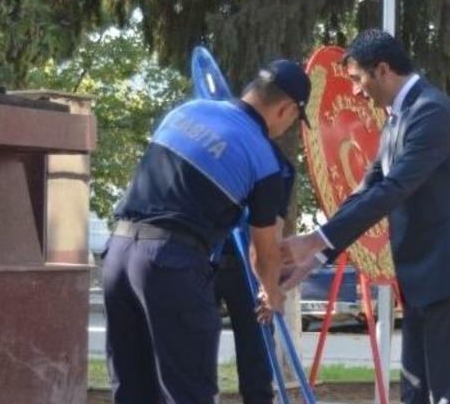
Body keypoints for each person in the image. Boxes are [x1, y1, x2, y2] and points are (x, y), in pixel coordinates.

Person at [280, 29, 450, 404]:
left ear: (382, 70)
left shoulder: (433, 113)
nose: (358, 92)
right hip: (420, 277)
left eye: (358, 79)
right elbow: (366, 190)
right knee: (414, 389)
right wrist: (317, 255)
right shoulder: (397, 120)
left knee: (445, 393)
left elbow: (393, 190)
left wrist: (318, 239)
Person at [102, 59, 311, 404]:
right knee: (189, 392)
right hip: (170, 263)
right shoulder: (264, 159)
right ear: (287, 109)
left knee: (132, 388)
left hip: (118, 253)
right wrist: (270, 292)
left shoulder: (186, 111)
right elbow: (264, 252)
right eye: (292, 120)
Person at [213, 142, 295, 404]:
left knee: (257, 358)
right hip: (201, 259)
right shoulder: (216, 148)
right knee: (190, 356)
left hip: (248, 267)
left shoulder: (278, 165)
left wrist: (268, 284)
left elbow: (274, 229)